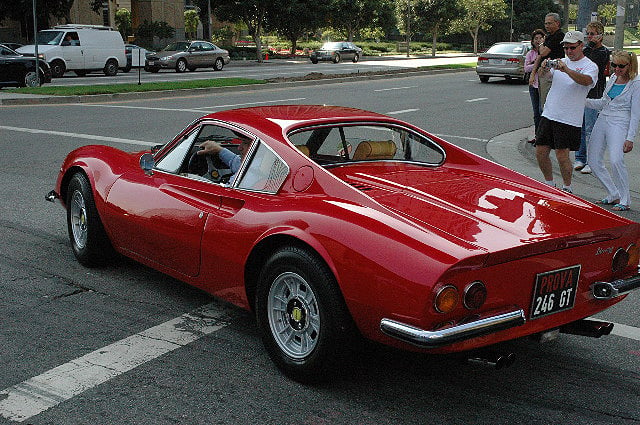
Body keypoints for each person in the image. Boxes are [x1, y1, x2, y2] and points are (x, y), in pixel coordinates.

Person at [535, 30, 598, 193]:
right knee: (540, 152)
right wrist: (544, 69)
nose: (569, 51)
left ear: (581, 46)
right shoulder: (560, 61)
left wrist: (567, 70)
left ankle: (567, 187)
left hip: (568, 118)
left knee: (562, 156)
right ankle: (549, 184)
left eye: (572, 48)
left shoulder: (590, 66)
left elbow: (587, 82)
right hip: (549, 114)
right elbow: (547, 77)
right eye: (566, 48)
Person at [586, 50, 640, 211]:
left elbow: (636, 113)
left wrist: (630, 137)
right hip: (603, 118)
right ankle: (613, 193)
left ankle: (625, 199)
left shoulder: (636, 83)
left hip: (620, 122)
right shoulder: (613, 79)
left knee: (616, 160)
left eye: (621, 66)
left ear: (630, 66)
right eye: (614, 65)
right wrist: (583, 101)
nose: (616, 69)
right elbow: (603, 102)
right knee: (593, 160)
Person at [574, 21, 610, 175]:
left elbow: (597, 68)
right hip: (580, 93)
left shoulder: (603, 52)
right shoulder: (585, 50)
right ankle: (580, 157)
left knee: (590, 129)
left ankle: (591, 160)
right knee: (579, 127)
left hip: (594, 94)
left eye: (592, 34)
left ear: (600, 36)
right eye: (587, 33)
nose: (589, 36)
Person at [529, 13, 565, 110]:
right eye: (545, 24)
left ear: (557, 23)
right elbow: (540, 56)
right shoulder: (549, 37)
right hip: (544, 72)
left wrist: (541, 44)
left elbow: (544, 52)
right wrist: (533, 74)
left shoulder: (559, 36)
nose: (547, 26)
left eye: (549, 23)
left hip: (553, 73)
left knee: (547, 106)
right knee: (542, 106)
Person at [525, 29, 546, 143]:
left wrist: (534, 66)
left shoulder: (546, 51)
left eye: (540, 38)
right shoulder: (530, 53)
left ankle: (543, 137)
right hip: (533, 85)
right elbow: (526, 68)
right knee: (536, 113)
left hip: (544, 85)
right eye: (536, 39)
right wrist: (536, 64)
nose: (538, 41)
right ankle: (537, 136)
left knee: (542, 111)